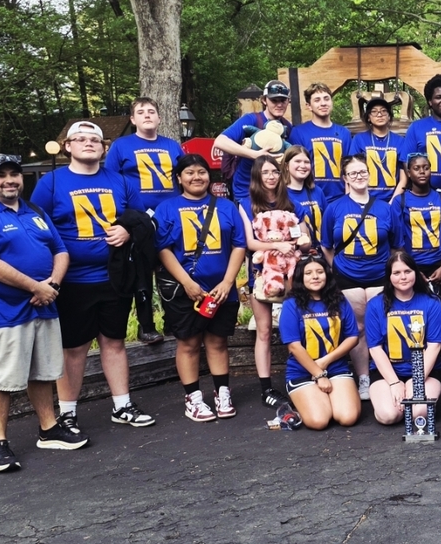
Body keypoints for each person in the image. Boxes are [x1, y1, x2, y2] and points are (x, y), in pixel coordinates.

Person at [31, 120, 154, 437]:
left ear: (104, 148)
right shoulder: (52, 183)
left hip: (114, 277)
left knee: (114, 342)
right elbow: (36, 228)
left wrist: (127, 229)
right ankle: (67, 413)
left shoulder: (122, 181)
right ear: (68, 146)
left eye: (94, 139)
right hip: (72, 280)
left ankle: (122, 405)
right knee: (74, 348)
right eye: (80, 139)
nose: (88, 143)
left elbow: (143, 219)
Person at [0, 154, 86, 472]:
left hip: (44, 307)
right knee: (1, 379)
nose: (10, 180)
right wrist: (35, 288)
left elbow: (60, 250)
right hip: (4, 313)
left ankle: (49, 429)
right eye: (1, 175)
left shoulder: (35, 211)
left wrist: (52, 285)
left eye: (14, 174)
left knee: (43, 371)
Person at [154, 154, 247, 421]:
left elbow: (239, 244)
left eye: (202, 172)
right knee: (189, 343)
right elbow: (162, 248)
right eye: (190, 173)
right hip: (186, 291)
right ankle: (193, 398)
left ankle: (222, 392)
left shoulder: (227, 206)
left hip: (221, 289)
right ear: (179, 178)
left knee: (218, 342)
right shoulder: (167, 208)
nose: (197, 177)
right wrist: (187, 282)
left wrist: (229, 281)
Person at [321, 154, 401, 401]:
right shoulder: (335, 207)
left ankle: (389, 376)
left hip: (379, 275)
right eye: (353, 173)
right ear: (344, 178)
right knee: (357, 329)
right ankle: (364, 378)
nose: (358, 176)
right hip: (348, 276)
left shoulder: (384, 207)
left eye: (362, 171)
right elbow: (326, 244)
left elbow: (397, 245)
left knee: (383, 327)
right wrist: (338, 268)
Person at [104, 97, 184, 344]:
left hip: (170, 216)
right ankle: (146, 325)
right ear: (133, 119)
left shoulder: (172, 146)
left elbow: (184, 177)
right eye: (141, 112)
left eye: (152, 111)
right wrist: (124, 218)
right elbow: (111, 181)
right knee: (142, 273)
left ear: (160, 118)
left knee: (173, 268)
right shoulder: (121, 146)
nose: (147, 115)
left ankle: (175, 321)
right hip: (139, 219)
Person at [237, 155, 313, 409]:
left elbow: (306, 237)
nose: (270, 176)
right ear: (257, 177)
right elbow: (249, 243)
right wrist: (276, 245)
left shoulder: (292, 202)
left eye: (274, 172)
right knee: (265, 330)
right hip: (261, 273)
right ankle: (266, 387)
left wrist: (294, 244)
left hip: (292, 270)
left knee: (302, 324)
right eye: (265, 172)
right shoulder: (246, 204)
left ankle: (307, 375)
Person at [278, 255, 361, 429]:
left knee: (348, 418)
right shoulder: (291, 304)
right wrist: (318, 374)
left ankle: (319, 401)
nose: (315, 276)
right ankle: (300, 405)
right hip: (302, 370)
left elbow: (352, 336)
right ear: (300, 278)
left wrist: (325, 362)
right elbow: (293, 346)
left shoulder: (339, 300)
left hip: (336, 367)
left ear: (327, 275)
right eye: (308, 273)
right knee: (319, 421)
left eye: (319, 272)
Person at [364, 251, 441, 425]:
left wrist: (416, 380)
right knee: (389, 416)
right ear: (389, 276)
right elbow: (375, 348)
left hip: (426, 373)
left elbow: (434, 346)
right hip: (387, 373)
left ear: (416, 273)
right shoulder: (375, 305)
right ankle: (388, 402)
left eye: (407, 271)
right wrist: (394, 383)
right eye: (397, 273)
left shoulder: (432, 302)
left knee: (418, 412)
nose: (403, 277)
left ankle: (418, 403)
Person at [389, 152, 441, 351]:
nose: (422, 171)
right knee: (417, 311)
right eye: (416, 168)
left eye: (425, 167)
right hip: (412, 266)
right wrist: (413, 271)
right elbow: (397, 243)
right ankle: (420, 355)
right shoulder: (400, 202)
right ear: (408, 172)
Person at [213, 80, 293, 203]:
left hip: (274, 191)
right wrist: (254, 154)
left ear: (288, 101)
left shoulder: (286, 126)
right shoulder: (251, 119)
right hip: (246, 189)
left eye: (283, 100)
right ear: (264, 100)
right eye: (274, 100)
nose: (279, 104)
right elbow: (220, 141)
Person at [289, 83, 352, 204]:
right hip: (310, 197)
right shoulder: (298, 132)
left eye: (326, 98)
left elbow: (349, 167)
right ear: (309, 106)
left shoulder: (344, 133)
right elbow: (294, 168)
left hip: (339, 198)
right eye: (317, 100)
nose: (323, 103)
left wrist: (348, 197)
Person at [350, 96, 407, 200]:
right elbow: (351, 172)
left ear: (389, 116)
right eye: (374, 112)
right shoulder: (359, 139)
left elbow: (404, 178)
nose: (379, 114)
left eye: (384, 111)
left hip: (393, 199)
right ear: (368, 117)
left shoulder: (400, 141)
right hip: (365, 199)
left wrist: (393, 203)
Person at [280, 144, 326, 251]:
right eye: (297, 161)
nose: (303, 165)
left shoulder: (317, 191)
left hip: (320, 254)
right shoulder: (280, 194)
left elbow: (327, 223)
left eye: (306, 162)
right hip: (294, 254)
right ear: (286, 166)